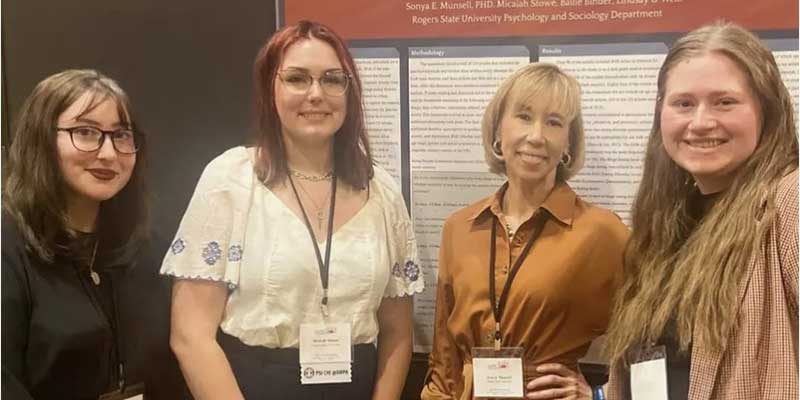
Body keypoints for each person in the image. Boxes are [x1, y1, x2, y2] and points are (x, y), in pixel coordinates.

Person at [161, 20, 422, 399]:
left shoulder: (380, 190)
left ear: (349, 92)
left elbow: (398, 331)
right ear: (271, 90)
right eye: (297, 79)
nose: (316, 94)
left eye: (332, 79)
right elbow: (190, 336)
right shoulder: (231, 181)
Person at [600, 22, 799, 400]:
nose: (701, 122)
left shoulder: (788, 202)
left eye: (725, 101)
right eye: (683, 103)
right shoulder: (663, 226)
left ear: (767, 110)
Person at [420, 63, 629, 400]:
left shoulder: (603, 233)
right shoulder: (459, 228)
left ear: (568, 144)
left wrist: (602, 395)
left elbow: (655, 340)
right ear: (498, 132)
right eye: (524, 116)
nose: (536, 136)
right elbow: (444, 359)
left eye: (554, 122)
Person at [2, 69, 183, 399]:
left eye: (121, 135)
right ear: (40, 138)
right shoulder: (9, 246)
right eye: (85, 132)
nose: (109, 153)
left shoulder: (147, 246)